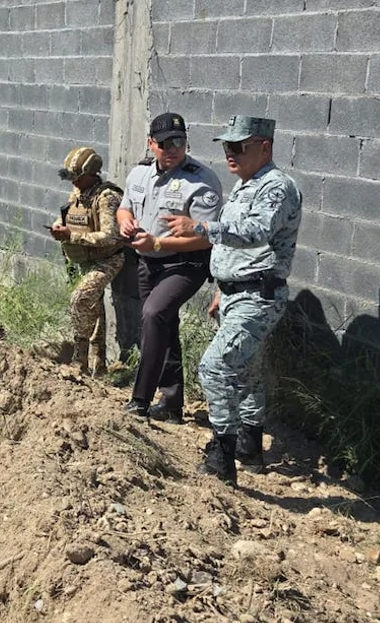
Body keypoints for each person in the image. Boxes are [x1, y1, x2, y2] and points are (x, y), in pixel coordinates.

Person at [165, 116, 302, 486]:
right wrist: (220, 289)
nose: (230, 153)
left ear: (264, 147)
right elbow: (235, 250)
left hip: (259, 295)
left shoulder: (276, 188)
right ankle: (250, 447)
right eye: (227, 146)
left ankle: (221, 457)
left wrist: (202, 226)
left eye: (238, 146)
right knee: (248, 370)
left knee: (214, 368)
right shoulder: (245, 186)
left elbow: (256, 232)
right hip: (237, 293)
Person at [117, 113, 223, 422]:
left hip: (185, 264)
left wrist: (159, 244)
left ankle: (140, 399)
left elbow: (205, 240)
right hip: (148, 262)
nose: (173, 148)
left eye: (179, 141)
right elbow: (125, 208)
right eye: (164, 143)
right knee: (163, 323)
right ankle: (173, 403)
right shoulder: (138, 175)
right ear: (151, 144)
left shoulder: (201, 180)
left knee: (153, 314)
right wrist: (126, 224)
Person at [48, 146, 126, 375]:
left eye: (77, 178)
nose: (73, 182)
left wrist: (72, 236)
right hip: (84, 259)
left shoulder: (107, 197)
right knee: (94, 308)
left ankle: (79, 357)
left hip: (107, 259)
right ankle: (97, 366)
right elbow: (70, 215)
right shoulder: (78, 192)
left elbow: (111, 236)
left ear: (91, 175)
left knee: (80, 299)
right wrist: (58, 227)